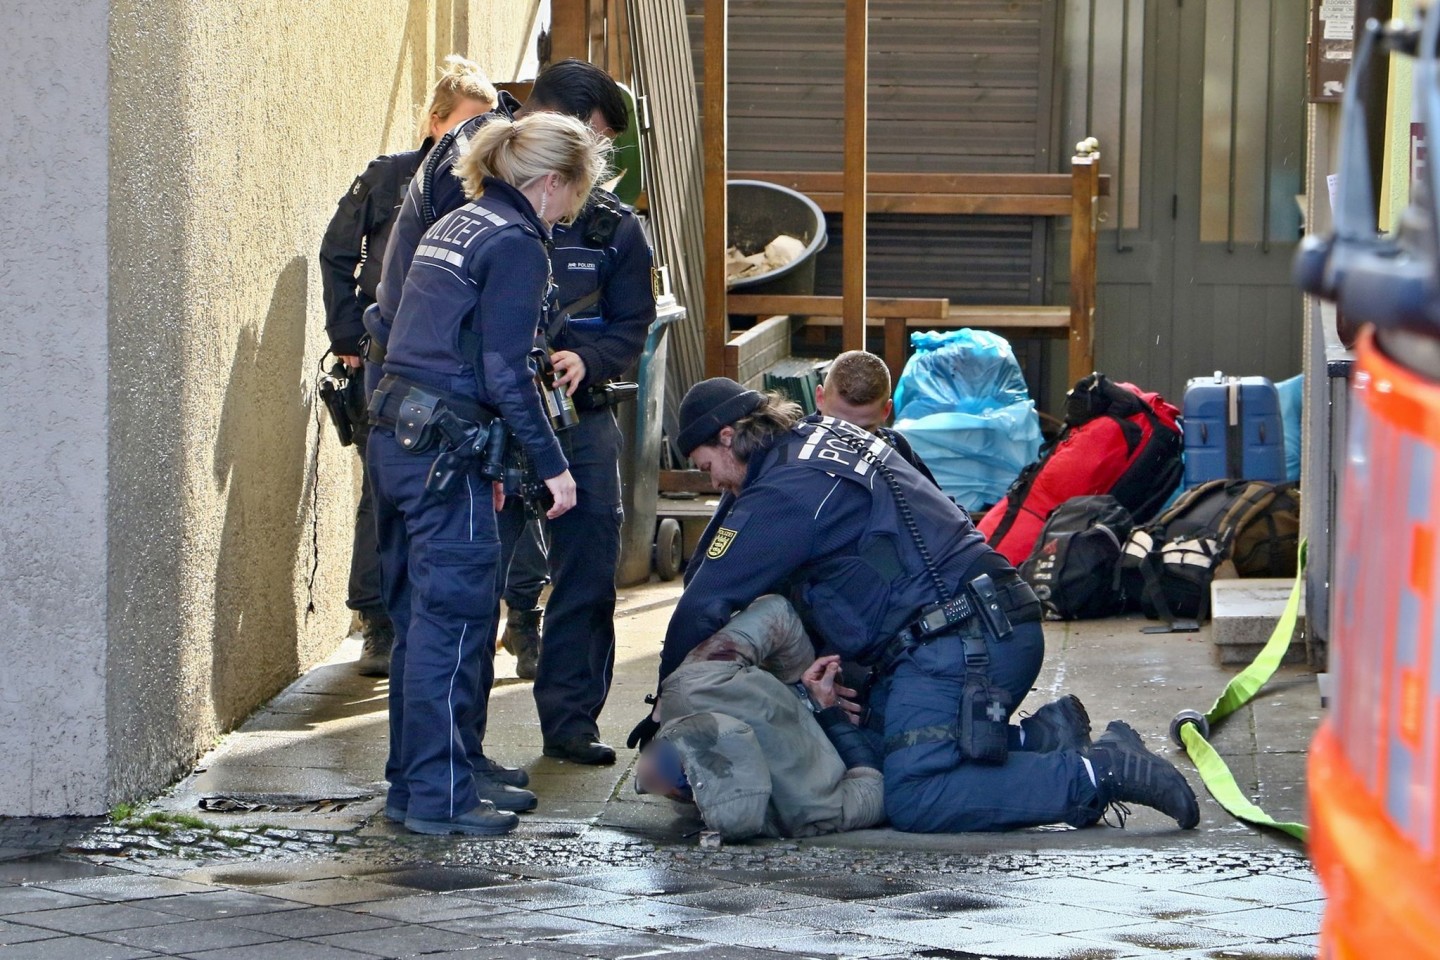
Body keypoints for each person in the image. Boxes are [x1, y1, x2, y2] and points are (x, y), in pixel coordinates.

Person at [628, 378, 1200, 834]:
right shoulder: (828, 436)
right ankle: (1041, 738)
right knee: (863, 745)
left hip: (963, 642)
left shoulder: (782, 492)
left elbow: (704, 603)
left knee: (916, 795)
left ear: (728, 437)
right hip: (984, 621)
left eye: (707, 469)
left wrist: (665, 710)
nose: (716, 488)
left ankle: (1098, 772)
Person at [373, 58, 647, 766]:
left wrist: (592, 359)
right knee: (464, 594)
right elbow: (422, 316)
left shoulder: (609, 226)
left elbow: (632, 323)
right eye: (584, 142)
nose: (593, 164)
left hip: (565, 412)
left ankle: (561, 726)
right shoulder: (472, 204)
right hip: (475, 423)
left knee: (581, 571)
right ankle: (450, 767)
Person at [318, 56, 496, 676]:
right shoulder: (392, 178)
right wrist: (346, 331)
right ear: (435, 121)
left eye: (486, 125)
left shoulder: (485, 189)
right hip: (385, 354)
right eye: (465, 124)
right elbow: (337, 252)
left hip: (448, 363)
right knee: (383, 491)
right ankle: (377, 621)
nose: (474, 139)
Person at [634, 594, 884, 841]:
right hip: (850, 725)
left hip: (832, 703)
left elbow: (872, 793)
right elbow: (875, 788)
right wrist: (828, 711)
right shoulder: (696, 685)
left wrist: (813, 693)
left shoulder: (808, 812)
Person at [814, 349, 938, 487]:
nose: (847, 440)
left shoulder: (896, 448)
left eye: (862, 430)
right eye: (836, 424)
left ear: (886, 411)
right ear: (820, 398)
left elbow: (940, 505)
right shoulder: (790, 445)